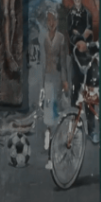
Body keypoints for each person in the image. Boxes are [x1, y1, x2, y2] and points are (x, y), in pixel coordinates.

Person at [67, 0, 96, 143]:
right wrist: (79, 38)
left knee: (89, 93)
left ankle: (92, 130)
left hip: (87, 58)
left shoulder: (88, 14)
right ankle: (75, 125)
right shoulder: (70, 15)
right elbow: (71, 36)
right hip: (76, 59)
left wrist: (81, 37)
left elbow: (89, 32)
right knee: (75, 91)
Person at [42, 9, 68, 139]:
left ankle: (59, 131)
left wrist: (64, 80)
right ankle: (49, 131)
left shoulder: (61, 38)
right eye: (49, 20)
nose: (51, 23)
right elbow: (43, 60)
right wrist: (42, 83)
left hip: (57, 75)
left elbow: (63, 61)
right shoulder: (44, 38)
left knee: (57, 102)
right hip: (47, 74)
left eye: (53, 20)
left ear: (57, 22)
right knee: (48, 102)